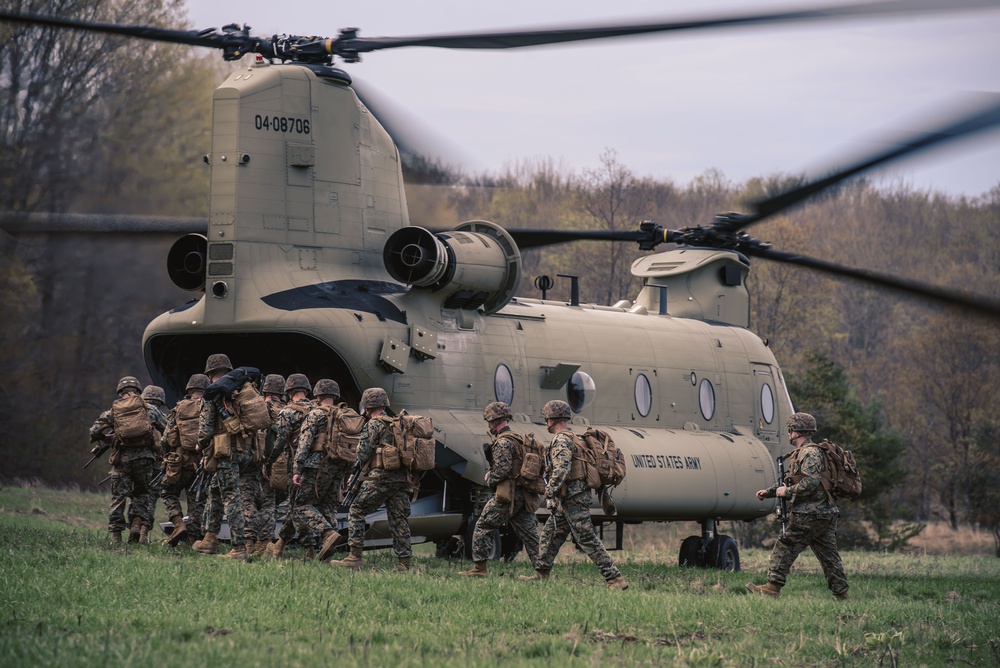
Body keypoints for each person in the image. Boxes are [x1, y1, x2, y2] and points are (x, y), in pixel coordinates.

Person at [520, 400, 628, 590]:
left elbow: (561, 469)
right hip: (570, 497)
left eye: (547, 418)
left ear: (552, 419)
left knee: (586, 537)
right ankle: (541, 573)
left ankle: (615, 578)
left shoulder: (562, 439)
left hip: (573, 497)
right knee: (551, 534)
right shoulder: (574, 437)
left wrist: (550, 491)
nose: (546, 422)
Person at [746, 412, 849, 600]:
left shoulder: (809, 453)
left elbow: (811, 482)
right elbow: (794, 481)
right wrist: (769, 492)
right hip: (825, 512)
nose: (788, 433)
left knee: (786, 544)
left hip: (810, 512)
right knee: (829, 555)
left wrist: (786, 492)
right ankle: (841, 594)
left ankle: (772, 587)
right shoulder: (810, 452)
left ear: (796, 431)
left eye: (790, 429)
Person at [332, 387, 413, 572]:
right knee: (399, 519)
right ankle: (404, 563)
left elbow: (362, 453)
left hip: (380, 478)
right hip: (400, 480)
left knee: (357, 510)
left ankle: (354, 557)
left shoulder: (373, 424)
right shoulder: (397, 423)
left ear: (367, 407)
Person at [459, 401, 541, 577]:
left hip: (507, 494)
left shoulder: (503, 442)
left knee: (483, 525)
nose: (488, 425)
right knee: (530, 535)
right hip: (522, 495)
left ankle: (479, 568)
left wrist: (490, 478)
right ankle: (543, 571)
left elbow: (502, 470)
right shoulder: (517, 438)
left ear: (495, 420)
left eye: (489, 421)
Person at [89, 376, 167, 545]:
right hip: (145, 460)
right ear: (138, 391)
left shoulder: (114, 410)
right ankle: (136, 527)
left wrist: (106, 438)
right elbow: (168, 428)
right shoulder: (149, 408)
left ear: (120, 392)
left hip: (122, 460)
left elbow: (94, 430)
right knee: (141, 494)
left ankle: (116, 538)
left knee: (118, 497)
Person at [194, 353, 256, 561]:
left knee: (231, 496)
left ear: (210, 373)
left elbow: (205, 429)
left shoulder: (213, 394)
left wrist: (200, 445)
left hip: (224, 452)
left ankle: (239, 547)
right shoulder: (240, 390)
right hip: (242, 450)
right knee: (216, 491)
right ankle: (210, 539)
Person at [291, 379, 349, 561]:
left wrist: (297, 469)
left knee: (300, 505)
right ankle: (327, 550)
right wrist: (347, 477)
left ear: (318, 395)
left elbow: (304, 443)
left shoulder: (316, 414)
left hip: (317, 465)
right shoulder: (346, 415)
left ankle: (327, 533)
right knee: (329, 506)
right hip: (340, 466)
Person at [262, 373, 314, 558]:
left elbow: (280, 441)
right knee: (297, 506)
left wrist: (269, 462)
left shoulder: (288, 411)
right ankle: (281, 546)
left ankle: (309, 547)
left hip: (293, 466)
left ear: (289, 391)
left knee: (296, 506)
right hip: (318, 466)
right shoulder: (318, 410)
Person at [159, 374, 210, 547]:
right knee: (197, 502)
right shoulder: (210, 408)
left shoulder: (178, 409)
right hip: (203, 463)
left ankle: (178, 523)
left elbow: (165, 439)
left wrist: (167, 457)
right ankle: (192, 541)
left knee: (167, 492)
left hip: (180, 462)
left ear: (189, 390)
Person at [251, 373, 285, 558]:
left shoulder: (258, 408)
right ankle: (264, 543)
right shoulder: (287, 410)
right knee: (271, 503)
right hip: (282, 464)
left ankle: (259, 545)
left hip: (259, 461)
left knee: (260, 502)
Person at [141, 385, 168, 538]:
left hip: (132, 461)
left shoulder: (131, 411)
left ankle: (133, 529)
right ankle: (144, 533)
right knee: (150, 497)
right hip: (155, 462)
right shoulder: (157, 413)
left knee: (137, 496)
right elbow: (169, 431)